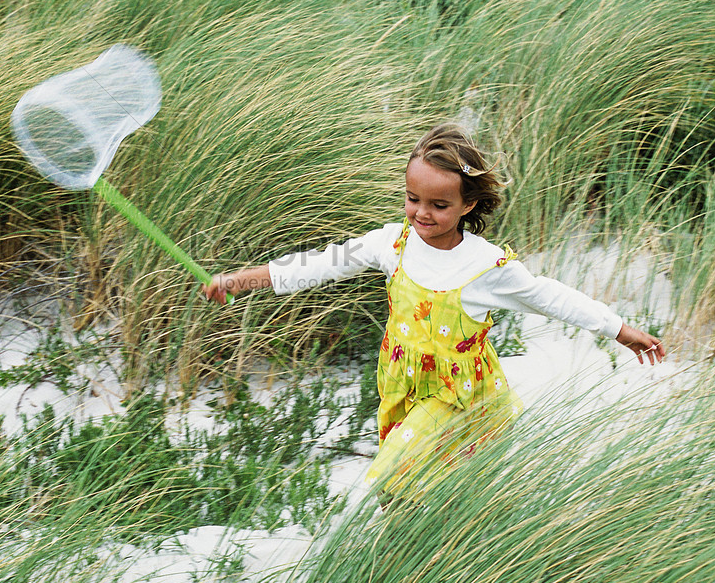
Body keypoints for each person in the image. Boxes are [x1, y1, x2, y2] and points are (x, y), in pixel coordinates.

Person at [202, 123, 664, 501]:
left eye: (439, 205)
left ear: (468, 205)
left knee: (394, 472)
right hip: (401, 385)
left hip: (457, 394)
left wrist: (618, 328)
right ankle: (418, 558)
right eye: (413, 199)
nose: (421, 214)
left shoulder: (486, 266)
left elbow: (549, 296)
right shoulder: (392, 242)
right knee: (409, 494)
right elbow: (320, 264)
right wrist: (240, 280)